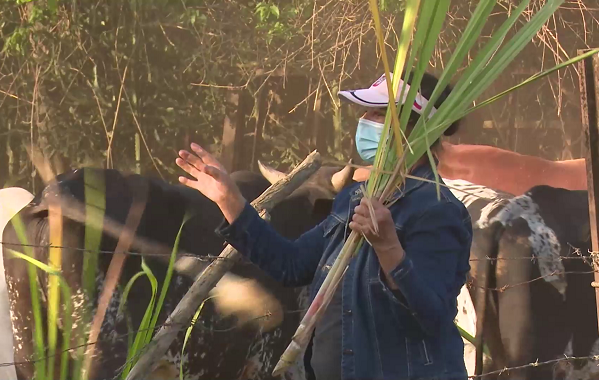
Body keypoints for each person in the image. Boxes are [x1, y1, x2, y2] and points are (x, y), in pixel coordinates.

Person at [175, 71, 472, 380]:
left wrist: (388, 248)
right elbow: (291, 264)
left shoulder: (437, 210)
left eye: (379, 113)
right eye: (366, 112)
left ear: (415, 129)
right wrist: (230, 201)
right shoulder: (354, 198)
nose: (365, 121)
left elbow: (432, 316)